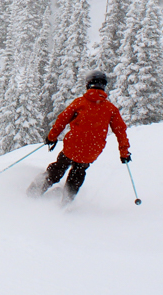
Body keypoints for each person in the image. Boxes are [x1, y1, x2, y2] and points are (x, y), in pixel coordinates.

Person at [27, 70, 131, 203]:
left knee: (58, 168)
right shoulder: (111, 109)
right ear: (103, 87)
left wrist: (52, 137)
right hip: (91, 151)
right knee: (78, 173)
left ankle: (33, 193)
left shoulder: (80, 102)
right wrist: (124, 153)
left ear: (88, 85)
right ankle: (66, 202)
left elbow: (62, 120)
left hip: (73, 147)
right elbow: (120, 131)